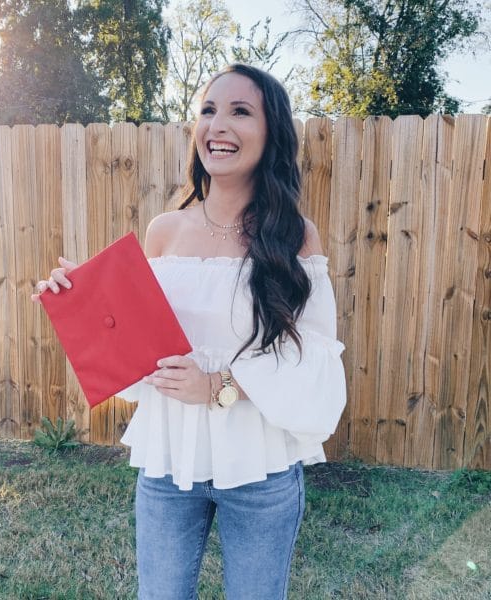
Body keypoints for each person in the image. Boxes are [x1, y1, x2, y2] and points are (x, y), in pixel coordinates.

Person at [32, 63, 347, 600]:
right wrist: (78, 298)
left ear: (272, 133)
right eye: (208, 110)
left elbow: (312, 356)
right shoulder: (164, 230)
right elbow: (136, 342)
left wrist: (218, 386)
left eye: (240, 111)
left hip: (260, 465)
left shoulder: (295, 236)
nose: (217, 125)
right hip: (168, 462)